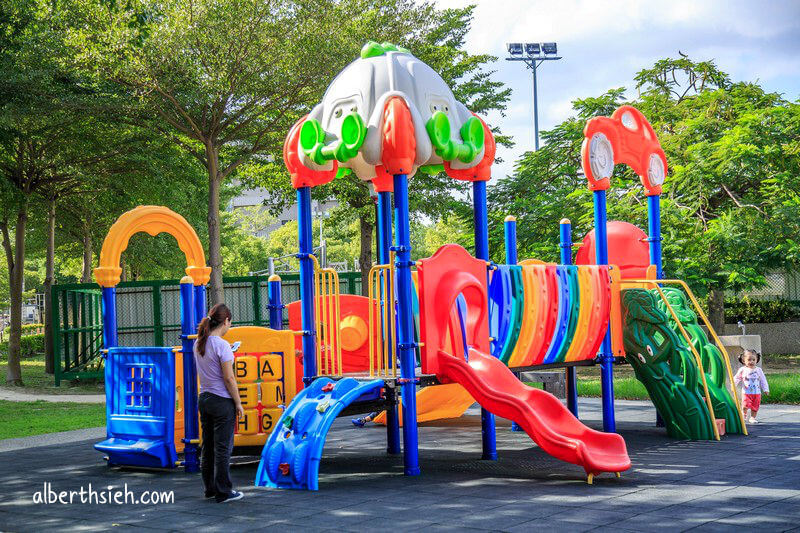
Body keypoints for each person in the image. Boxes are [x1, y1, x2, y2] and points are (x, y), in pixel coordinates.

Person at [194, 303, 244, 502]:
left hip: (204, 398)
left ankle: (210, 488)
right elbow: (229, 378)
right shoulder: (222, 345)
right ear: (226, 321)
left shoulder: (199, 343)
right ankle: (224, 491)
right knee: (223, 448)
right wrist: (238, 403)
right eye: (230, 322)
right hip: (222, 401)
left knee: (208, 446)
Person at [733, 349, 769, 424]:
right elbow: (736, 378)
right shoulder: (742, 370)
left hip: (757, 393)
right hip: (746, 392)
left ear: (757, 360)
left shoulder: (758, 370)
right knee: (745, 405)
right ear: (744, 361)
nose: (751, 362)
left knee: (755, 407)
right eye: (749, 360)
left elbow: (763, 380)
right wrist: (733, 385)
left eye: (753, 360)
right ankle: (744, 414)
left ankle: (752, 418)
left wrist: (765, 389)